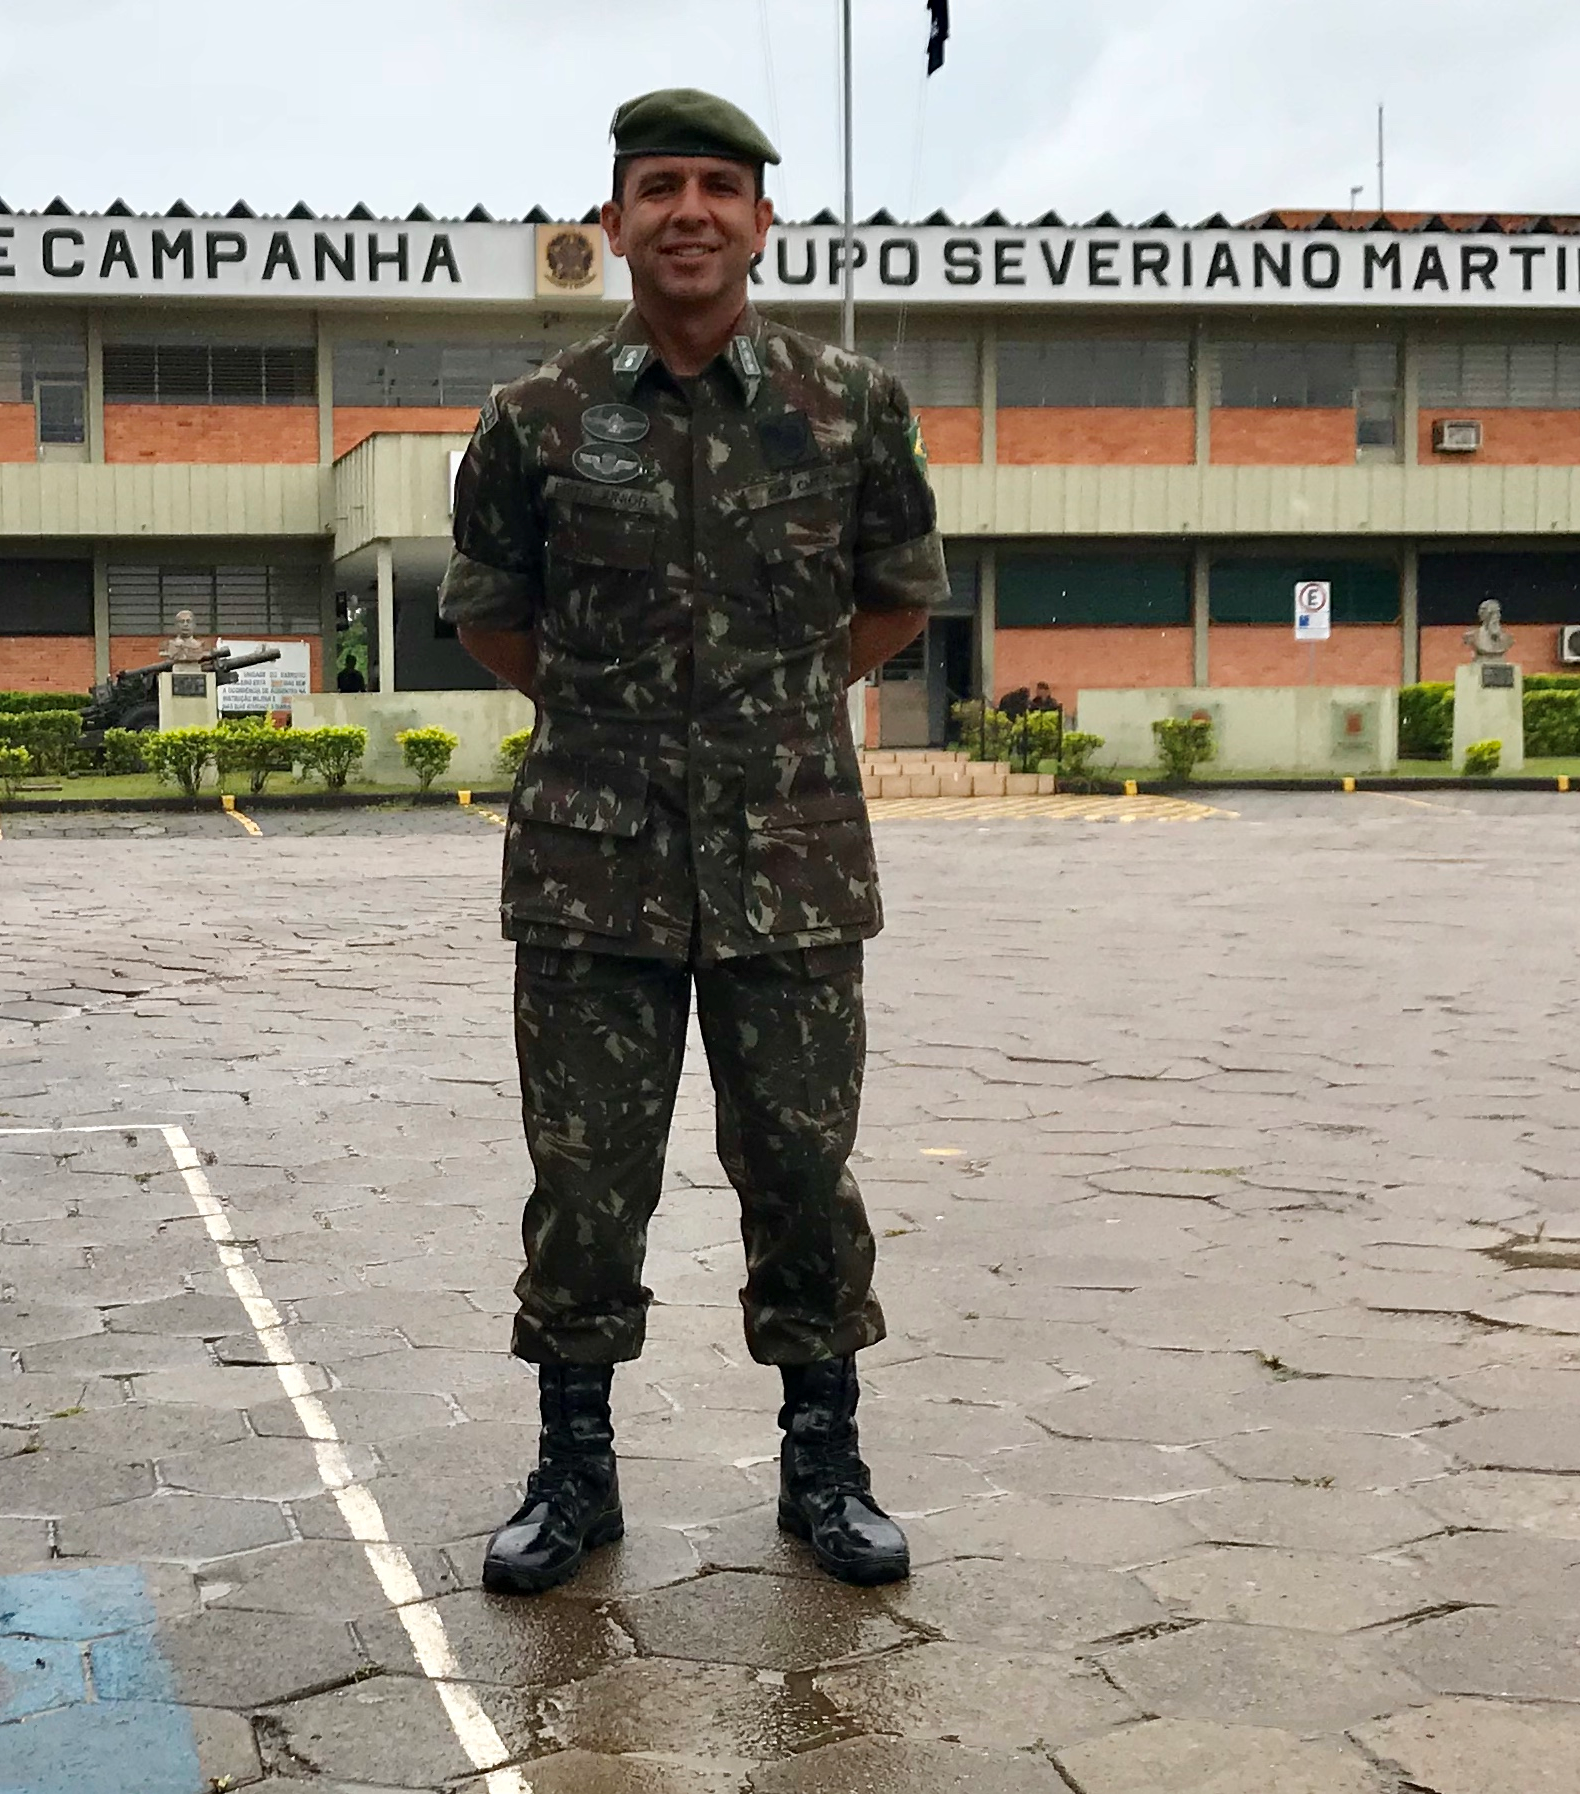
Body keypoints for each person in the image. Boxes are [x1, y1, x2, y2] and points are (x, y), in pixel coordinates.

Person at [440, 88, 943, 1593]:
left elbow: (898, 597)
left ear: (761, 220)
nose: (690, 213)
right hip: (594, 865)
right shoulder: (537, 420)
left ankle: (824, 1461)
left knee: (802, 1165)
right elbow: (490, 612)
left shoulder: (851, 407)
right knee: (585, 1181)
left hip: (789, 860)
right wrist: (619, 720)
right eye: (660, 187)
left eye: (720, 187)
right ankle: (575, 1470)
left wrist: (766, 713)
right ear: (614, 222)